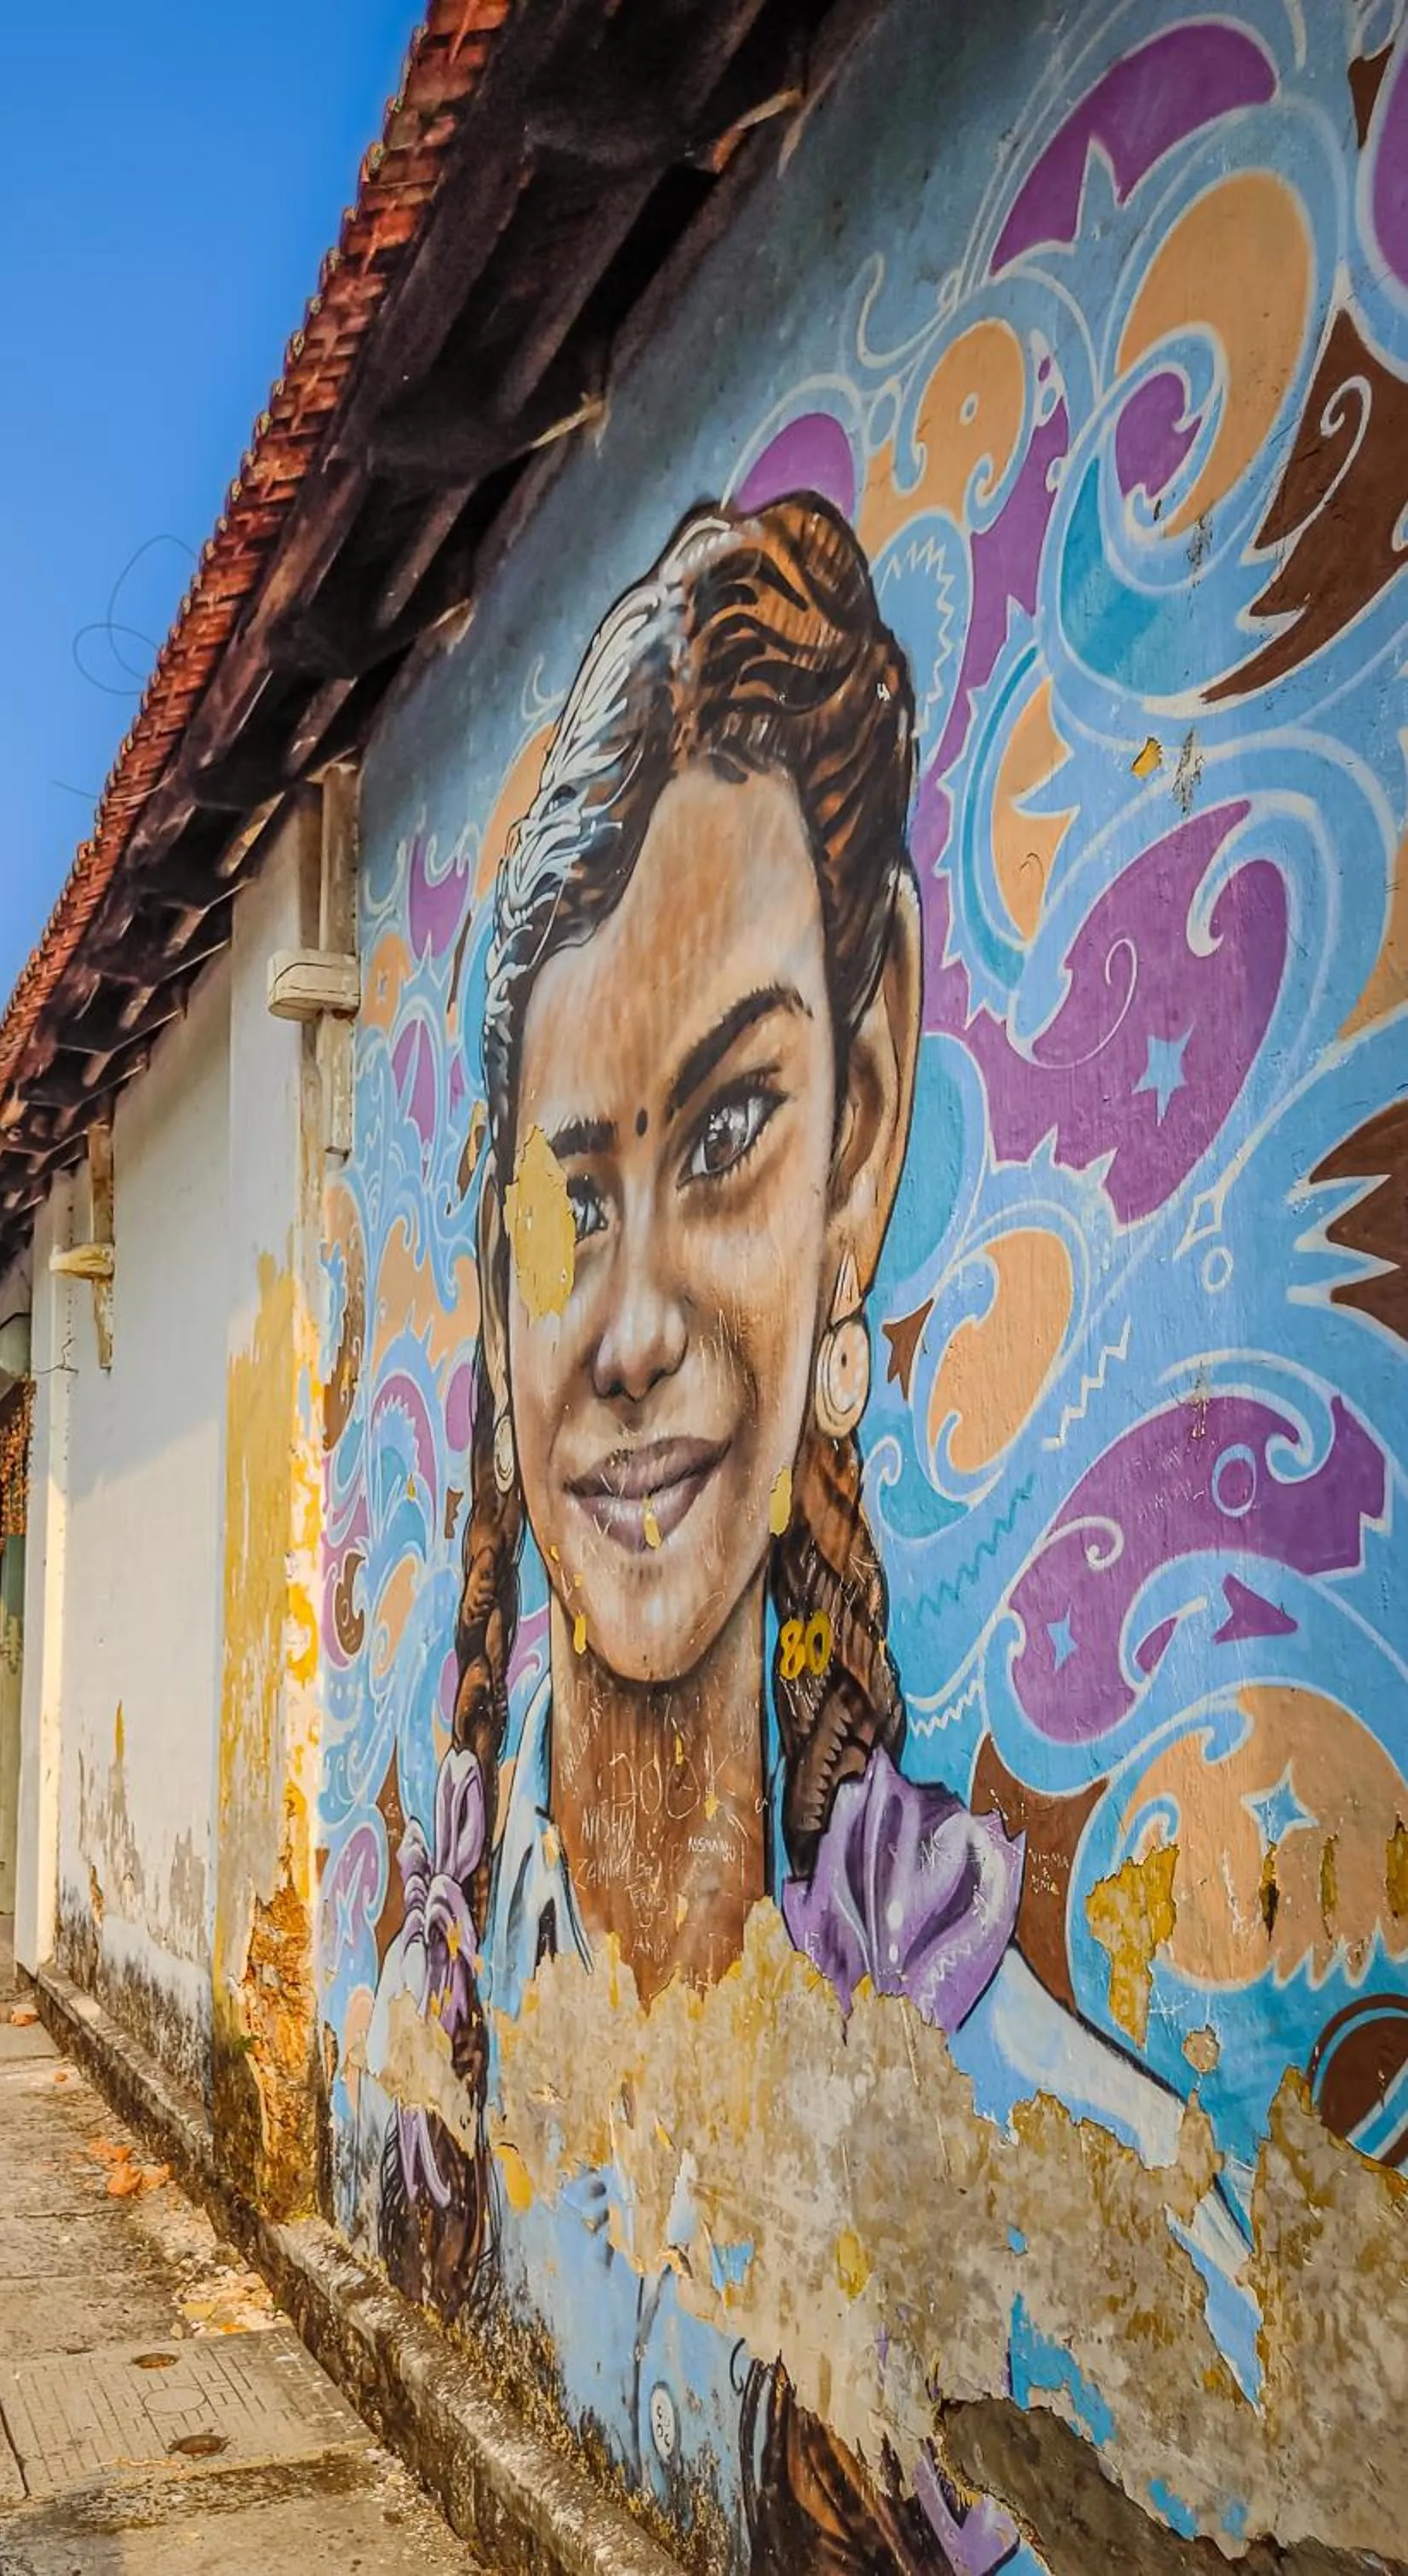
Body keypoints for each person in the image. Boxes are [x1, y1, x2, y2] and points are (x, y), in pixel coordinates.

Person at [368, 495, 1246, 2573]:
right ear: (488, 1303)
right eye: (569, 1200)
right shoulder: (440, 1991)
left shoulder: (1074, 2197)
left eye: (732, 1129)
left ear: (866, 1135)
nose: (637, 1329)